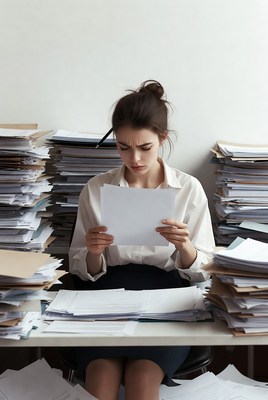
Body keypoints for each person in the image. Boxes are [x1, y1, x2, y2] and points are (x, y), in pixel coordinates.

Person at [69, 80, 215, 400]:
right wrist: (94, 252)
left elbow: (205, 269)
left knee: (143, 377)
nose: (134, 158)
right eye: (123, 146)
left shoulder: (188, 189)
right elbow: (79, 266)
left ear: (162, 139)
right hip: (105, 293)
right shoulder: (96, 188)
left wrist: (185, 247)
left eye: (144, 147)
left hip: (167, 296)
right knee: (101, 375)